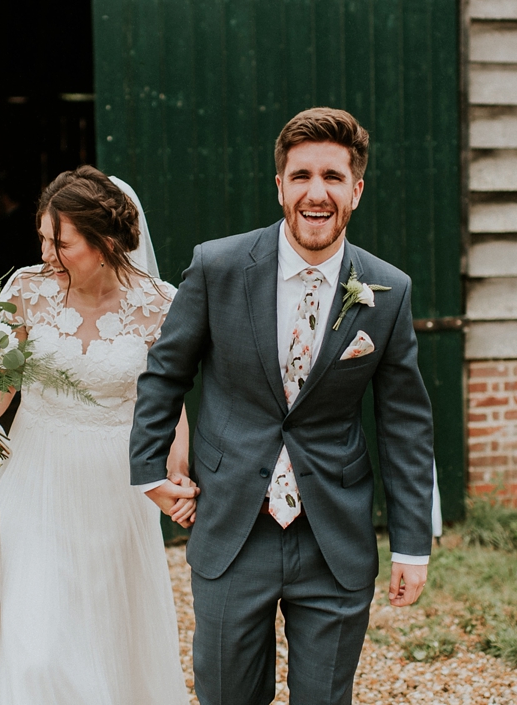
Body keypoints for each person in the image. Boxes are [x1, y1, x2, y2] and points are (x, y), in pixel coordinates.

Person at [129, 107, 436, 705]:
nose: (315, 193)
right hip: (231, 526)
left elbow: (405, 425)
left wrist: (410, 545)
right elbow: (166, 373)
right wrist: (150, 473)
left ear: (357, 190)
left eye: (332, 177)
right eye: (301, 176)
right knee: (226, 696)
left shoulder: (387, 289)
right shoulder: (218, 267)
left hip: (334, 536)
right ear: (279, 186)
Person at [0, 167, 192, 705]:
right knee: (32, 643)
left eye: (61, 242)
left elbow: (168, 406)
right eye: (43, 238)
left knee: (101, 634)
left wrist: (175, 471)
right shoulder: (27, 292)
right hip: (35, 475)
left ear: (104, 242)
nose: (48, 252)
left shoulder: (158, 304)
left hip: (116, 488)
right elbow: (4, 381)